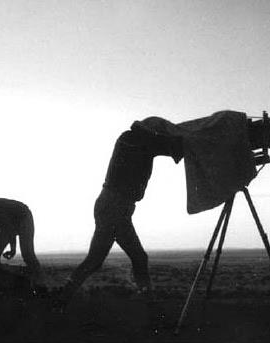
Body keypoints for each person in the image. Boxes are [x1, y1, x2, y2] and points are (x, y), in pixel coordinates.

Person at [61, 118, 183, 302]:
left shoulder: (132, 139)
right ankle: (149, 303)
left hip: (113, 206)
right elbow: (169, 146)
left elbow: (167, 146)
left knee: (97, 260)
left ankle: (62, 296)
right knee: (137, 258)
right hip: (114, 207)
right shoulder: (135, 140)